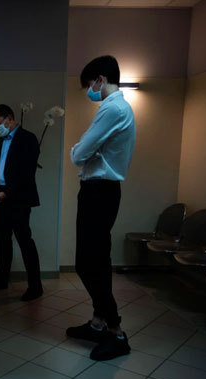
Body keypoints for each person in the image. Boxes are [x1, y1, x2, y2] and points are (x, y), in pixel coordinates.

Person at [66, 55, 136, 361]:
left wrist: (80, 149)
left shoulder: (112, 108)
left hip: (99, 192)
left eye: (89, 85)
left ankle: (115, 331)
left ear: (101, 79)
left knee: (88, 264)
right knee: (95, 261)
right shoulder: (116, 108)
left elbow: (78, 154)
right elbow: (87, 151)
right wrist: (84, 150)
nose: (89, 91)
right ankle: (98, 323)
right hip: (100, 192)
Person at [0, 104, 43, 301]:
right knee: (2, 242)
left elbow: (27, 173)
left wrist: (7, 193)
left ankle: (35, 286)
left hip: (19, 199)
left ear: (9, 118)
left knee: (25, 242)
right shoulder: (0, 142)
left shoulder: (28, 139)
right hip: (1, 199)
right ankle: (1, 279)